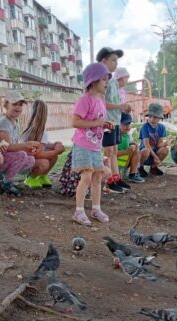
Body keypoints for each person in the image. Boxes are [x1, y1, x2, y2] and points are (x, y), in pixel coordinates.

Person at [70, 63, 110, 226]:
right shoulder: (84, 100)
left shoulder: (101, 101)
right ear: (93, 81)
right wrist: (96, 122)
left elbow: (98, 122)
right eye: (103, 79)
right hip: (83, 145)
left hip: (95, 146)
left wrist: (105, 125)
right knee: (86, 176)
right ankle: (79, 211)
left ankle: (96, 208)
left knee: (97, 177)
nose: (106, 83)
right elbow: (75, 121)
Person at [0, 90, 45, 194]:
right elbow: (6, 147)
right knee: (21, 155)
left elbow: (15, 144)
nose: (18, 107)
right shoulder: (3, 123)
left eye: (20, 105)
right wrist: (25, 145)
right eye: (14, 104)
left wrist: (28, 148)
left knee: (30, 159)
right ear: (6, 105)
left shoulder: (15, 124)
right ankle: (6, 182)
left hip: (6, 158)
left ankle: (4, 176)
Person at [96, 46, 131, 194]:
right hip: (107, 121)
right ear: (104, 61)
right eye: (113, 60)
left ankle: (116, 178)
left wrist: (122, 108)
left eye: (117, 61)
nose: (115, 64)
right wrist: (119, 106)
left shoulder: (113, 82)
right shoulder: (101, 80)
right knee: (108, 150)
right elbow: (101, 102)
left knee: (114, 150)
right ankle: (109, 181)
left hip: (115, 120)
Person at [21, 99, 65, 189]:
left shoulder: (40, 130)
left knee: (53, 156)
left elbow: (44, 144)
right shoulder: (33, 132)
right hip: (23, 163)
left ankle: (42, 176)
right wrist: (56, 151)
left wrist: (55, 144)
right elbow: (37, 154)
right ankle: (30, 178)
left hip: (31, 160)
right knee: (45, 162)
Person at [138, 103, 170, 175]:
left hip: (155, 151)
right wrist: (155, 157)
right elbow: (147, 145)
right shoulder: (145, 127)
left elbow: (159, 144)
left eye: (155, 117)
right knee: (146, 150)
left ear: (159, 118)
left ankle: (153, 168)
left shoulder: (162, 127)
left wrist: (166, 143)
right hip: (144, 154)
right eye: (150, 117)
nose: (152, 119)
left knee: (165, 150)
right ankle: (139, 167)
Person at [116, 112, 142, 183]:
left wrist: (134, 144)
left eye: (129, 124)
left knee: (135, 148)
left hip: (124, 164)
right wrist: (126, 152)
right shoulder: (114, 136)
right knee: (133, 148)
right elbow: (111, 154)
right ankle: (117, 175)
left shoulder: (128, 136)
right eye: (125, 124)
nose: (127, 126)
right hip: (115, 166)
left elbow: (130, 145)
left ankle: (133, 174)